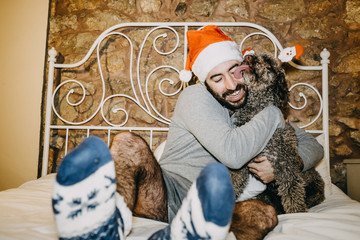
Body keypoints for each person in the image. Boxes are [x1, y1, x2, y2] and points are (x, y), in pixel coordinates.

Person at [53, 25, 324, 240]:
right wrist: (275, 113)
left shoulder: (255, 109)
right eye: (217, 78)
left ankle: (183, 234)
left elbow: (314, 145)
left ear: (246, 69)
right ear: (204, 82)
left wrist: (288, 165)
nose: (231, 85)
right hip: (167, 196)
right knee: (128, 143)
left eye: (235, 71)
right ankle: (106, 224)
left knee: (263, 214)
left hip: (216, 207)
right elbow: (233, 154)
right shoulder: (197, 97)